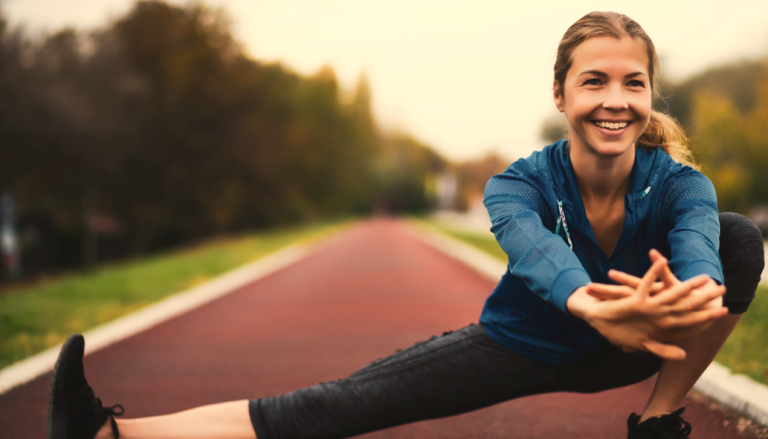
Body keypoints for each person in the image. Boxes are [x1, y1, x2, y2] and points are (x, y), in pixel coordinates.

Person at [47, 11, 765, 439]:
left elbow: (705, 250)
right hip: (527, 342)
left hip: (641, 343)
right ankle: (116, 431)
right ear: (560, 93)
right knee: (337, 405)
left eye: (632, 82)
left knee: (740, 234)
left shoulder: (679, 183)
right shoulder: (518, 182)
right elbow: (536, 251)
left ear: (650, 92)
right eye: (594, 81)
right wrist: (600, 308)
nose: (616, 100)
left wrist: (679, 299)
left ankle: (659, 422)